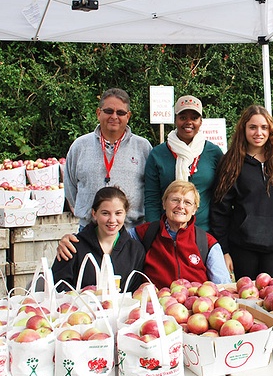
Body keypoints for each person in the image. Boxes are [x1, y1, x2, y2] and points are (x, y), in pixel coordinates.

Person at [210, 104, 273, 280]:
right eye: (252, 127)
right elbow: (219, 210)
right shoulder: (231, 162)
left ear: (270, 131)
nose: (258, 133)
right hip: (243, 247)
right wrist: (224, 251)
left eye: (264, 127)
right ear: (243, 129)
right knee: (247, 301)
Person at [64, 87, 152, 231]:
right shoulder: (80, 146)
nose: (114, 116)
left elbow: (150, 189)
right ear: (99, 113)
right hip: (89, 230)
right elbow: (70, 187)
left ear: (128, 116)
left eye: (121, 113)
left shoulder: (142, 147)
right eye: (109, 111)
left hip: (131, 231)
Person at [130, 180, 231, 288]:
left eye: (187, 202)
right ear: (164, 204)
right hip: (155, 302)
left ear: (194, 210)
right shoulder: (144, 233)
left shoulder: (207, 243)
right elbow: (114, 241)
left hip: (195, 302)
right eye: (175, 200)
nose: (181, 206)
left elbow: (223, 286)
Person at [144, 95, 223, 231]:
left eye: (194, 117)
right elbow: (152, 199)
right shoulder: (158, 154)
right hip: (167, 232)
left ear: (201, 121)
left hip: (204, 232)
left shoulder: (214, 153)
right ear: (175, 120)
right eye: (183, 117)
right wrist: (154, 232)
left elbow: (220, 197)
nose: (188, 122)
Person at [52, 186, 146, 292]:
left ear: (125, 213)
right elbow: (58, 286)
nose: (112, 220)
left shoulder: (135, 250)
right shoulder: (72, 246)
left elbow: (135, 291)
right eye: (105, 213)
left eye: (118, 213)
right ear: (94, 214)